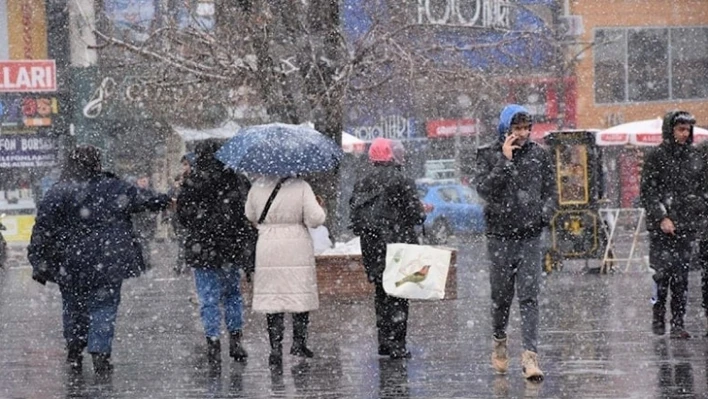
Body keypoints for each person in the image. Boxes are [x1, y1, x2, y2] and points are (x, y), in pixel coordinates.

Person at [27, 145, 172, 375]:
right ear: (97, 164)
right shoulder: (114, 187)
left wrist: (38, 260)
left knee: (73, 306)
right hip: (108, 260)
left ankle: (75, 349)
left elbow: (43, 229)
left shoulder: (58, 191)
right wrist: (168, 199)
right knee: (104, 305)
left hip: (70, 262)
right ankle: (100, 351)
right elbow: (143, 198)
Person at [475, 104, 556, 381]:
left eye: (526, 128)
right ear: (505, 128)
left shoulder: (539, 157)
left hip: (530, 237)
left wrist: (542, 217)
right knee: (501, 298)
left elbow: (551, 193)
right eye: (516, 128)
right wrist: (505, 162)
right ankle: (499, 342)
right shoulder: (487, 154)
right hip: (499, 237)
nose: (522, 134)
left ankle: (530, 357)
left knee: (529, 296)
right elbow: (484, 190)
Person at [176, 140, 255, 365]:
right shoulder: (237, 179)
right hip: (230, 246)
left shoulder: (192, 182)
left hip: (202, 248)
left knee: (208, 297)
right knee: (232, 294)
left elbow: (183, 216)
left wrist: (201, 223)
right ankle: (236, 339)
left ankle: (213, 342)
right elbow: (246, 212)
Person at [349, 138, 425, 359]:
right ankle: (398, 345)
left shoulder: (362, 182)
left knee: (381, 293)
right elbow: (416, 215)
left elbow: (354, 218)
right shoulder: (402, 180)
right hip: (397, 244)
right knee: (399, 293)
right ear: (392, 155)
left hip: (372, 246)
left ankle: (383, 341)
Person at [245, 173, 326, 367]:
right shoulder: (302, 186)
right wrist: (320, 205)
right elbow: (316, 219)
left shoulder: (257, 186)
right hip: (296, 245)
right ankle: (299, 342)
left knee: (273, 296)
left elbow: (250, 215)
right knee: (299, 293)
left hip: (267, 244)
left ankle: (275, 347)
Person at [641, 110, 707, 340]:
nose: (684, 133)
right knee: (661, 276)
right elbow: (648, 192)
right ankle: (658, 313)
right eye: (680, 128)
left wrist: (697, 211)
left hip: (686, 225)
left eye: (687, 129)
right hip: (661, 228)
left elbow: (700, 189)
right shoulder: (656, 157)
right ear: (670, 129)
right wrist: (661, 217)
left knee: (681, 276)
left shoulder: (694, 156)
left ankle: (678, 322)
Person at [131, 172, 159, 269]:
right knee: (141, 243)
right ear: (138, 181)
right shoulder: (134, 193)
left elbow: (156, 205)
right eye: (142, 181)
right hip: (138, 222)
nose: (144, 183)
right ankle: (143, 262)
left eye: (145, 181)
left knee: (145, 243)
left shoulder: (151, 192)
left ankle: (144, 262)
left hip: (148, 223)